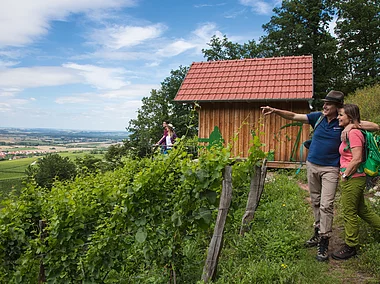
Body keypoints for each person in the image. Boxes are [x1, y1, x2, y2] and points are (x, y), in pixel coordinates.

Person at [261, 90, 379, 261]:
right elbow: (294, 116)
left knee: (326, 205)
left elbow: (375, 126)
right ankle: (317, 232)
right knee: (316, 201)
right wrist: (276, 110)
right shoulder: (319, 117)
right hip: (312, 165)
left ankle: (324, 240)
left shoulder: (343, 122)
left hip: (331, 169)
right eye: (324, 103)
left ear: (337, 107)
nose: (324, 106)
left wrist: (354, 125)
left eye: (328, 104)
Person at [332, 104, 380, 260]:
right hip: (355, 178)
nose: (338, 117)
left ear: (350, 118)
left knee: (349, 212)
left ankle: (351, 246)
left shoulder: (353, 134)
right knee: (362, 210)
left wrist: (345, 175)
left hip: (353, 178)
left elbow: (357, 158)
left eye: (341, 115)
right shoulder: (353, 130)